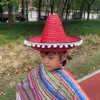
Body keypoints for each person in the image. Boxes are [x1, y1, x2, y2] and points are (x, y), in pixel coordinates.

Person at [16, 14, 90, 100]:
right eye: (42, 56)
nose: (45, 61)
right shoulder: (41, 69)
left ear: (63, 57)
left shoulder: (67, 83)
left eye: (51, 57)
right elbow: (26, 86)